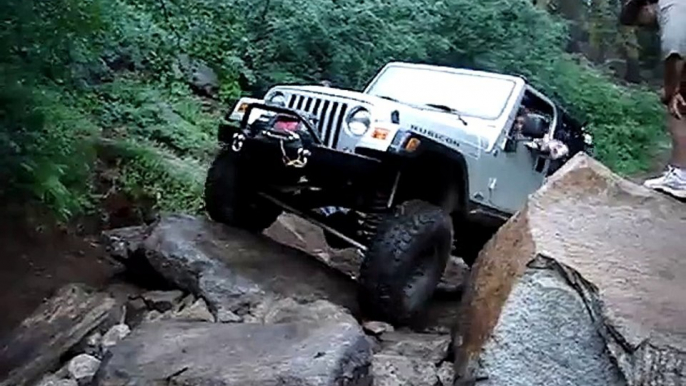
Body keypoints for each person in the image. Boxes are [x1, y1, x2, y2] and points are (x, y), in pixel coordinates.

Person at [620, 0, 686, 198]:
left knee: (679, 108)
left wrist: (670, 91)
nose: (643, 27)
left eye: (639, 21)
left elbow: (674, 53)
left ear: (646, 6)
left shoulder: (672, 7)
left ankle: (681, 177)